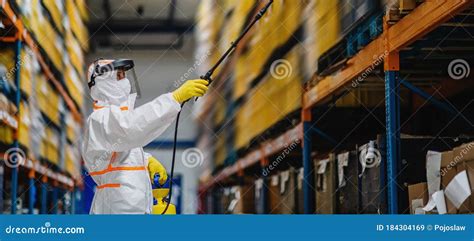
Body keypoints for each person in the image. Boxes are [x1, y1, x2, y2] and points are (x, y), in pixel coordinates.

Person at [81, 59, 208, 214]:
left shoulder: (114, 118)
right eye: (119, 76)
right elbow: (131, 128)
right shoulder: (100, 118)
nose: (125, 81)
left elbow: (120, 153)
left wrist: (145, 160)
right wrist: (174, 98)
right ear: (103, 81)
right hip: (117, 210)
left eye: (125, 75)